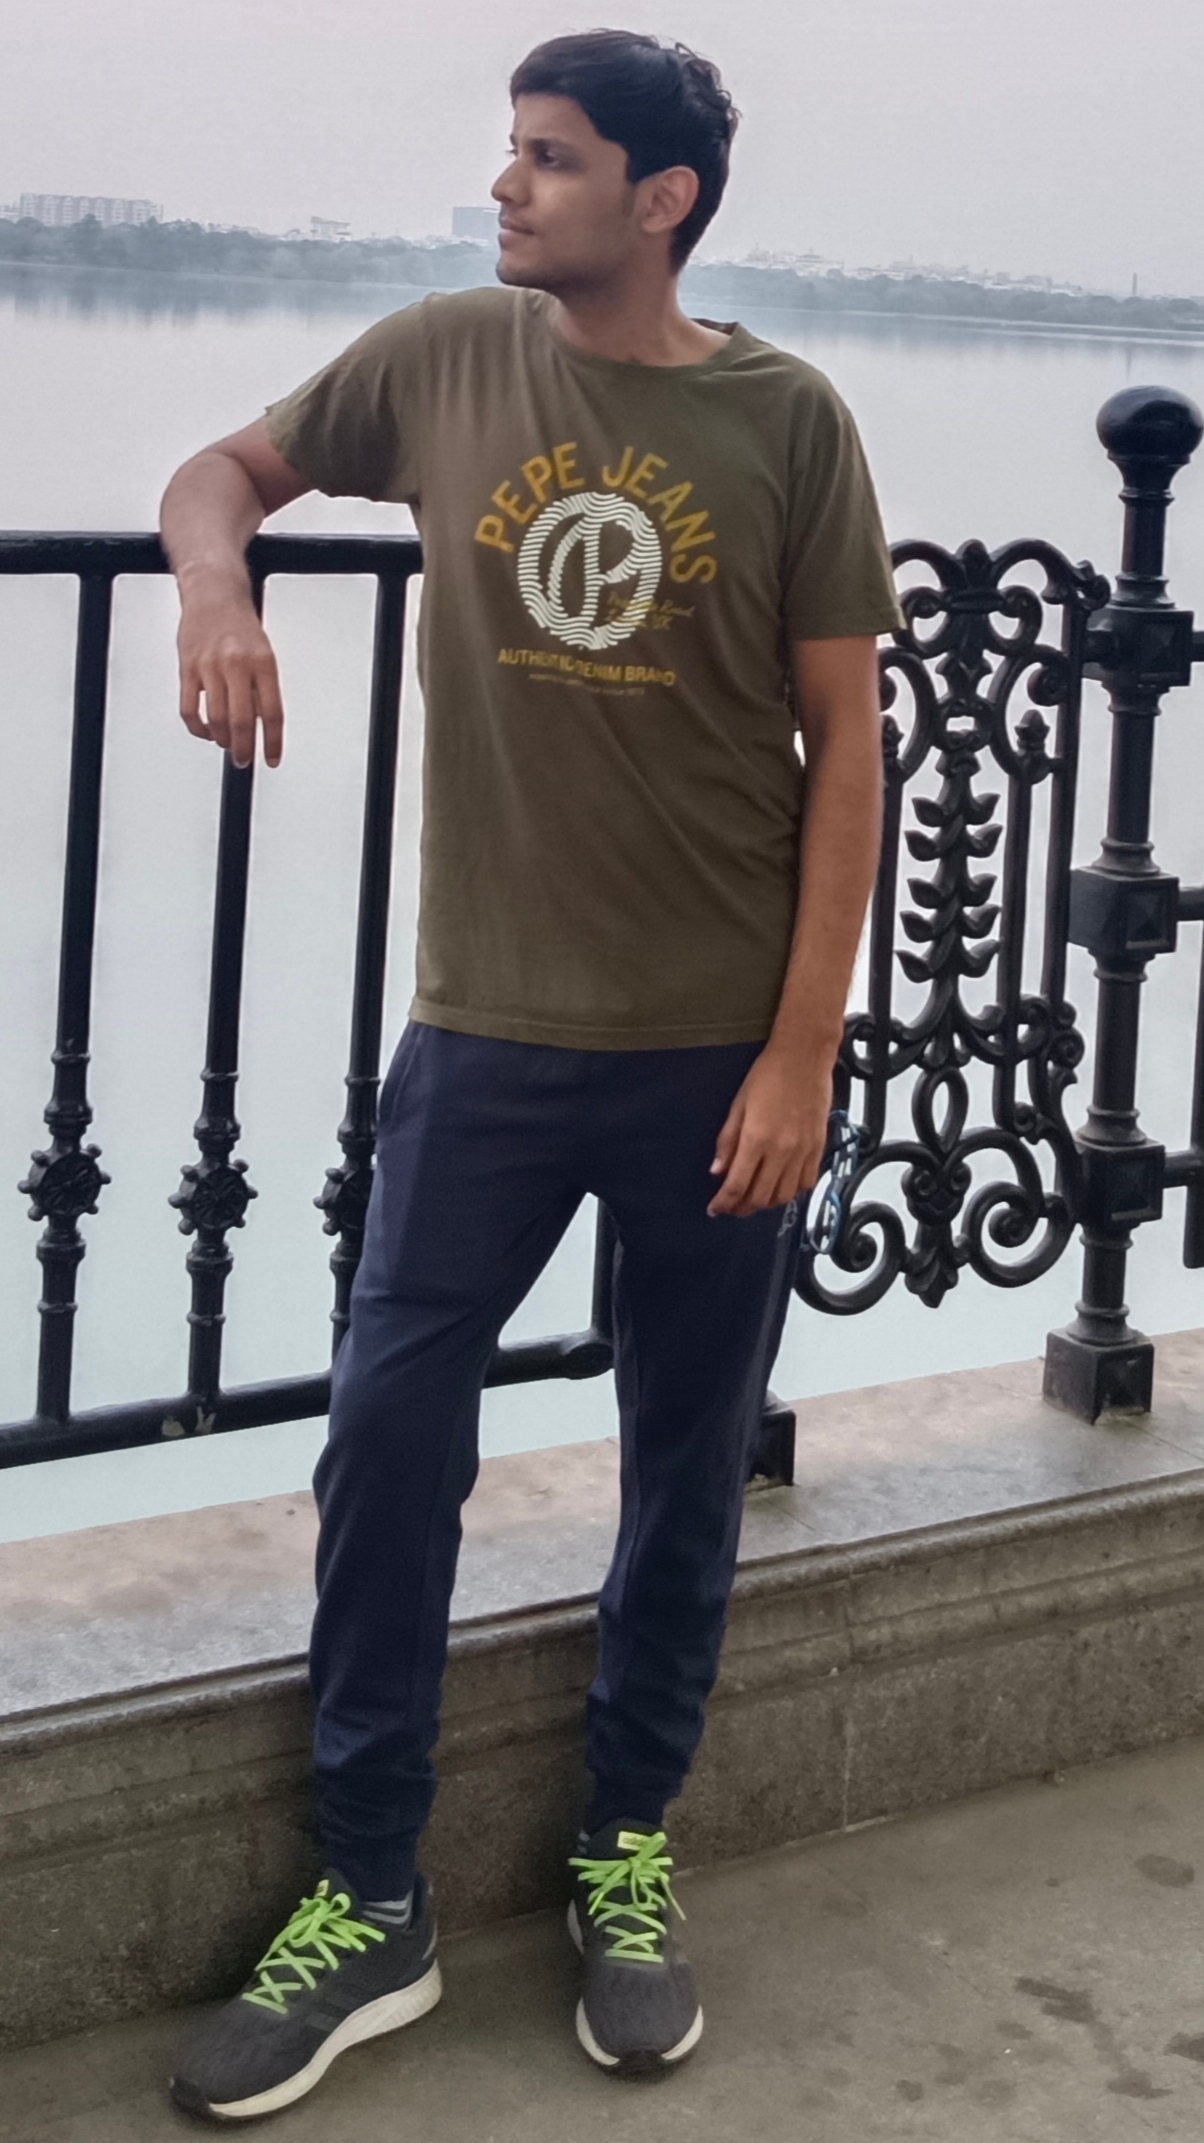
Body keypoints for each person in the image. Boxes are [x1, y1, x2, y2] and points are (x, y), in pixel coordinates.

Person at [159, 27, 903, 2122]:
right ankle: (370, 1892)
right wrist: (216, 592)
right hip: (483, 1032)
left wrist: (802, 1051)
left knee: (685, 1462)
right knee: (389, 1438)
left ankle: (624, 1852)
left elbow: (847, 742)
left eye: (550, 158)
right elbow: (218, 475)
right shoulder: (439, 359)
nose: (506, 186)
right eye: (509, 150)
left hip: (715, 1054)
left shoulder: (785, 420)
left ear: (660, 200)